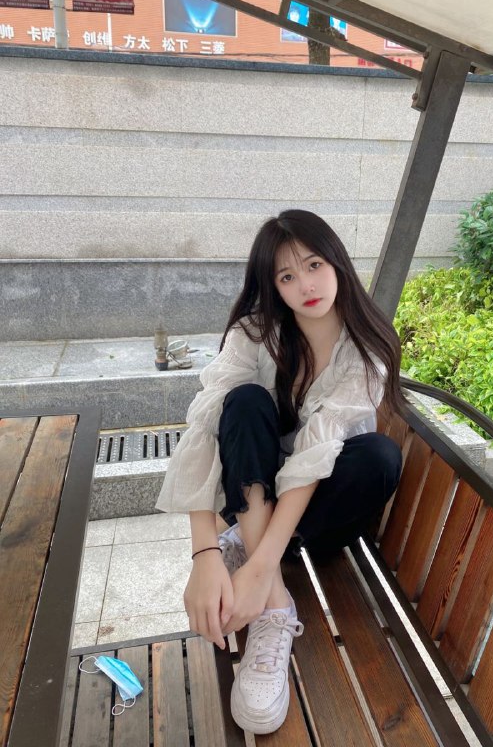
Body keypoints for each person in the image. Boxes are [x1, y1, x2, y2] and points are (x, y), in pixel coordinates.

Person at [156, 209, 404, 735]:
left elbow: (314, 458)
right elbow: (206, 428)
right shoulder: (255, 333)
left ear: (336, 261)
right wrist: (204, 555)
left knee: (378, 458)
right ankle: (275, 610)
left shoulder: (365, 351)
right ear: (272, 286)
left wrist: (257, 565)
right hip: (258, 503)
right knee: (242, 401)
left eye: (313, 265)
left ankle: (254, 561)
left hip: (323, 518)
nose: (305, 286)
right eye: (286, 276)